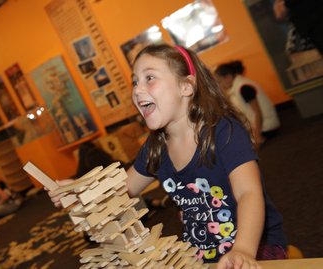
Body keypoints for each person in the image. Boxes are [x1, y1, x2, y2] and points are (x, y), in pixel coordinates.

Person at [48, 44, 287, 268]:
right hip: (199, 252)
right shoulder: (155, 148)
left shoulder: (223, 131)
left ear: (186, 87)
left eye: (149, 78)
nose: (137, 89)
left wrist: (243, 249)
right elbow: (120, 190)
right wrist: (81, 192)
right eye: (134, 82)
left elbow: (249, 192)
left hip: (255, 245)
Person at [215, 61, 280, 146]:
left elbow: (257, 112)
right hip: (260, 126)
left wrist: (257, 137)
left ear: (228, 77)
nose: (220, 85)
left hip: (267, 127)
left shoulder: (244, 87)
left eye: (220, 81)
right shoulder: (238, 86)